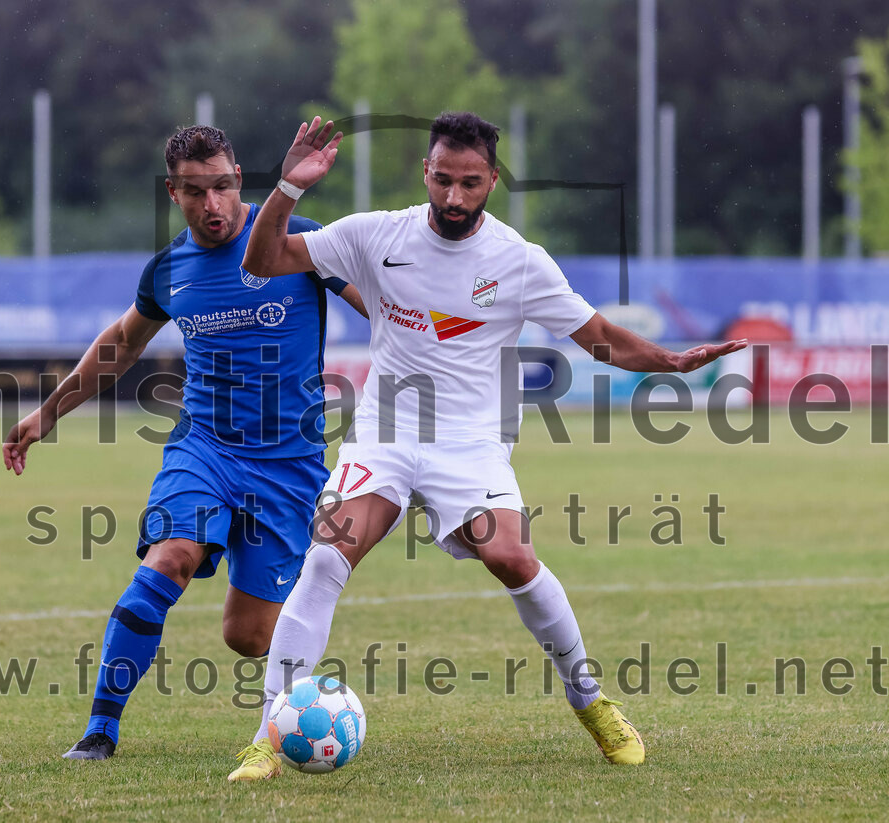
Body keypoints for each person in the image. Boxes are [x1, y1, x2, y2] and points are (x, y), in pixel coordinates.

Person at [226, 112, 748, 779]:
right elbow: (262, 260)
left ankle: (590, 699)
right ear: (425, 171)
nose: (453, 196)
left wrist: (671, 363)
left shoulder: (518, 261)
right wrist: (289, 188)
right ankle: (268, 736)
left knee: (511, 556)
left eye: (469, 183)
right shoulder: (375, 234)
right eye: (442, 179)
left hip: (470, 445)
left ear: (492, 181)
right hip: (384, 435)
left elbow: (598, 338)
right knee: (327, 555)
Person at [1, 125, 366, 761]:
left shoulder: (302, 240)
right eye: (195, 193)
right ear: (174, 193)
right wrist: (49, 412)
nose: (212, 205)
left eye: (222, 187)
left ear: (239, 179)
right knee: (170, 558)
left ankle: (301, 674)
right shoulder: (170, 270)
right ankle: (100, 730)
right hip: (205, 450)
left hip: (290, 466)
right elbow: (121, 343)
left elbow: (387, 310)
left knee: (247, 637)